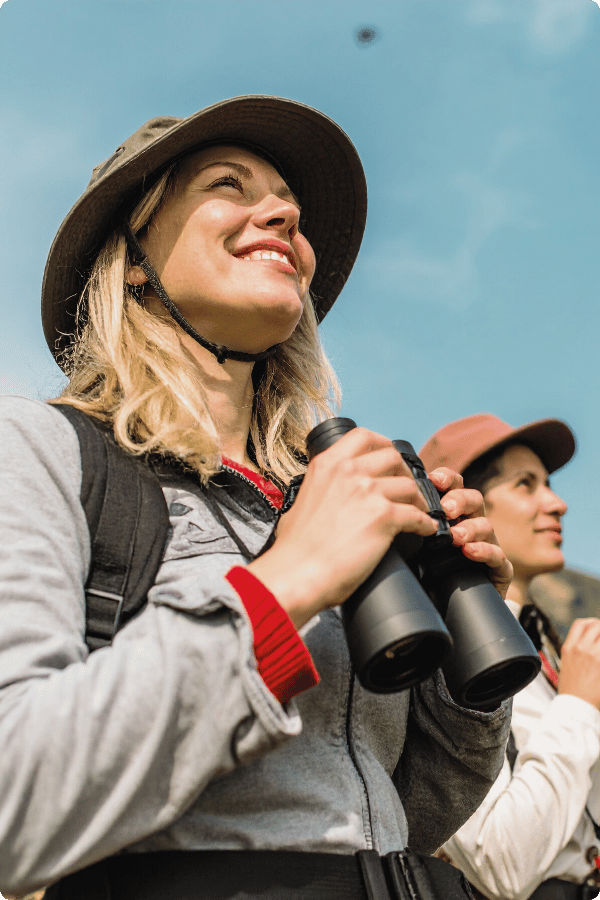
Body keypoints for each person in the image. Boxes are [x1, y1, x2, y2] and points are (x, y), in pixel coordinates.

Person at [0, 96, 512, 900]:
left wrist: (462, 672)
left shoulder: (316, 495)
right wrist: (289, 581)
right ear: (132, 255)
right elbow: (13, 805)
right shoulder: (39, 450)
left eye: (290, 207)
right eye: (230, 186)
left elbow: (397, 812)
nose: (281, 213)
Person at [420, 414, 600, 900]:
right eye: (527, 485)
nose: (557, 503)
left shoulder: (550, 653)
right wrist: (580, 705)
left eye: (549, 485)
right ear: (463, 505)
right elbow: (503, 866)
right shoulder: (442, 655)